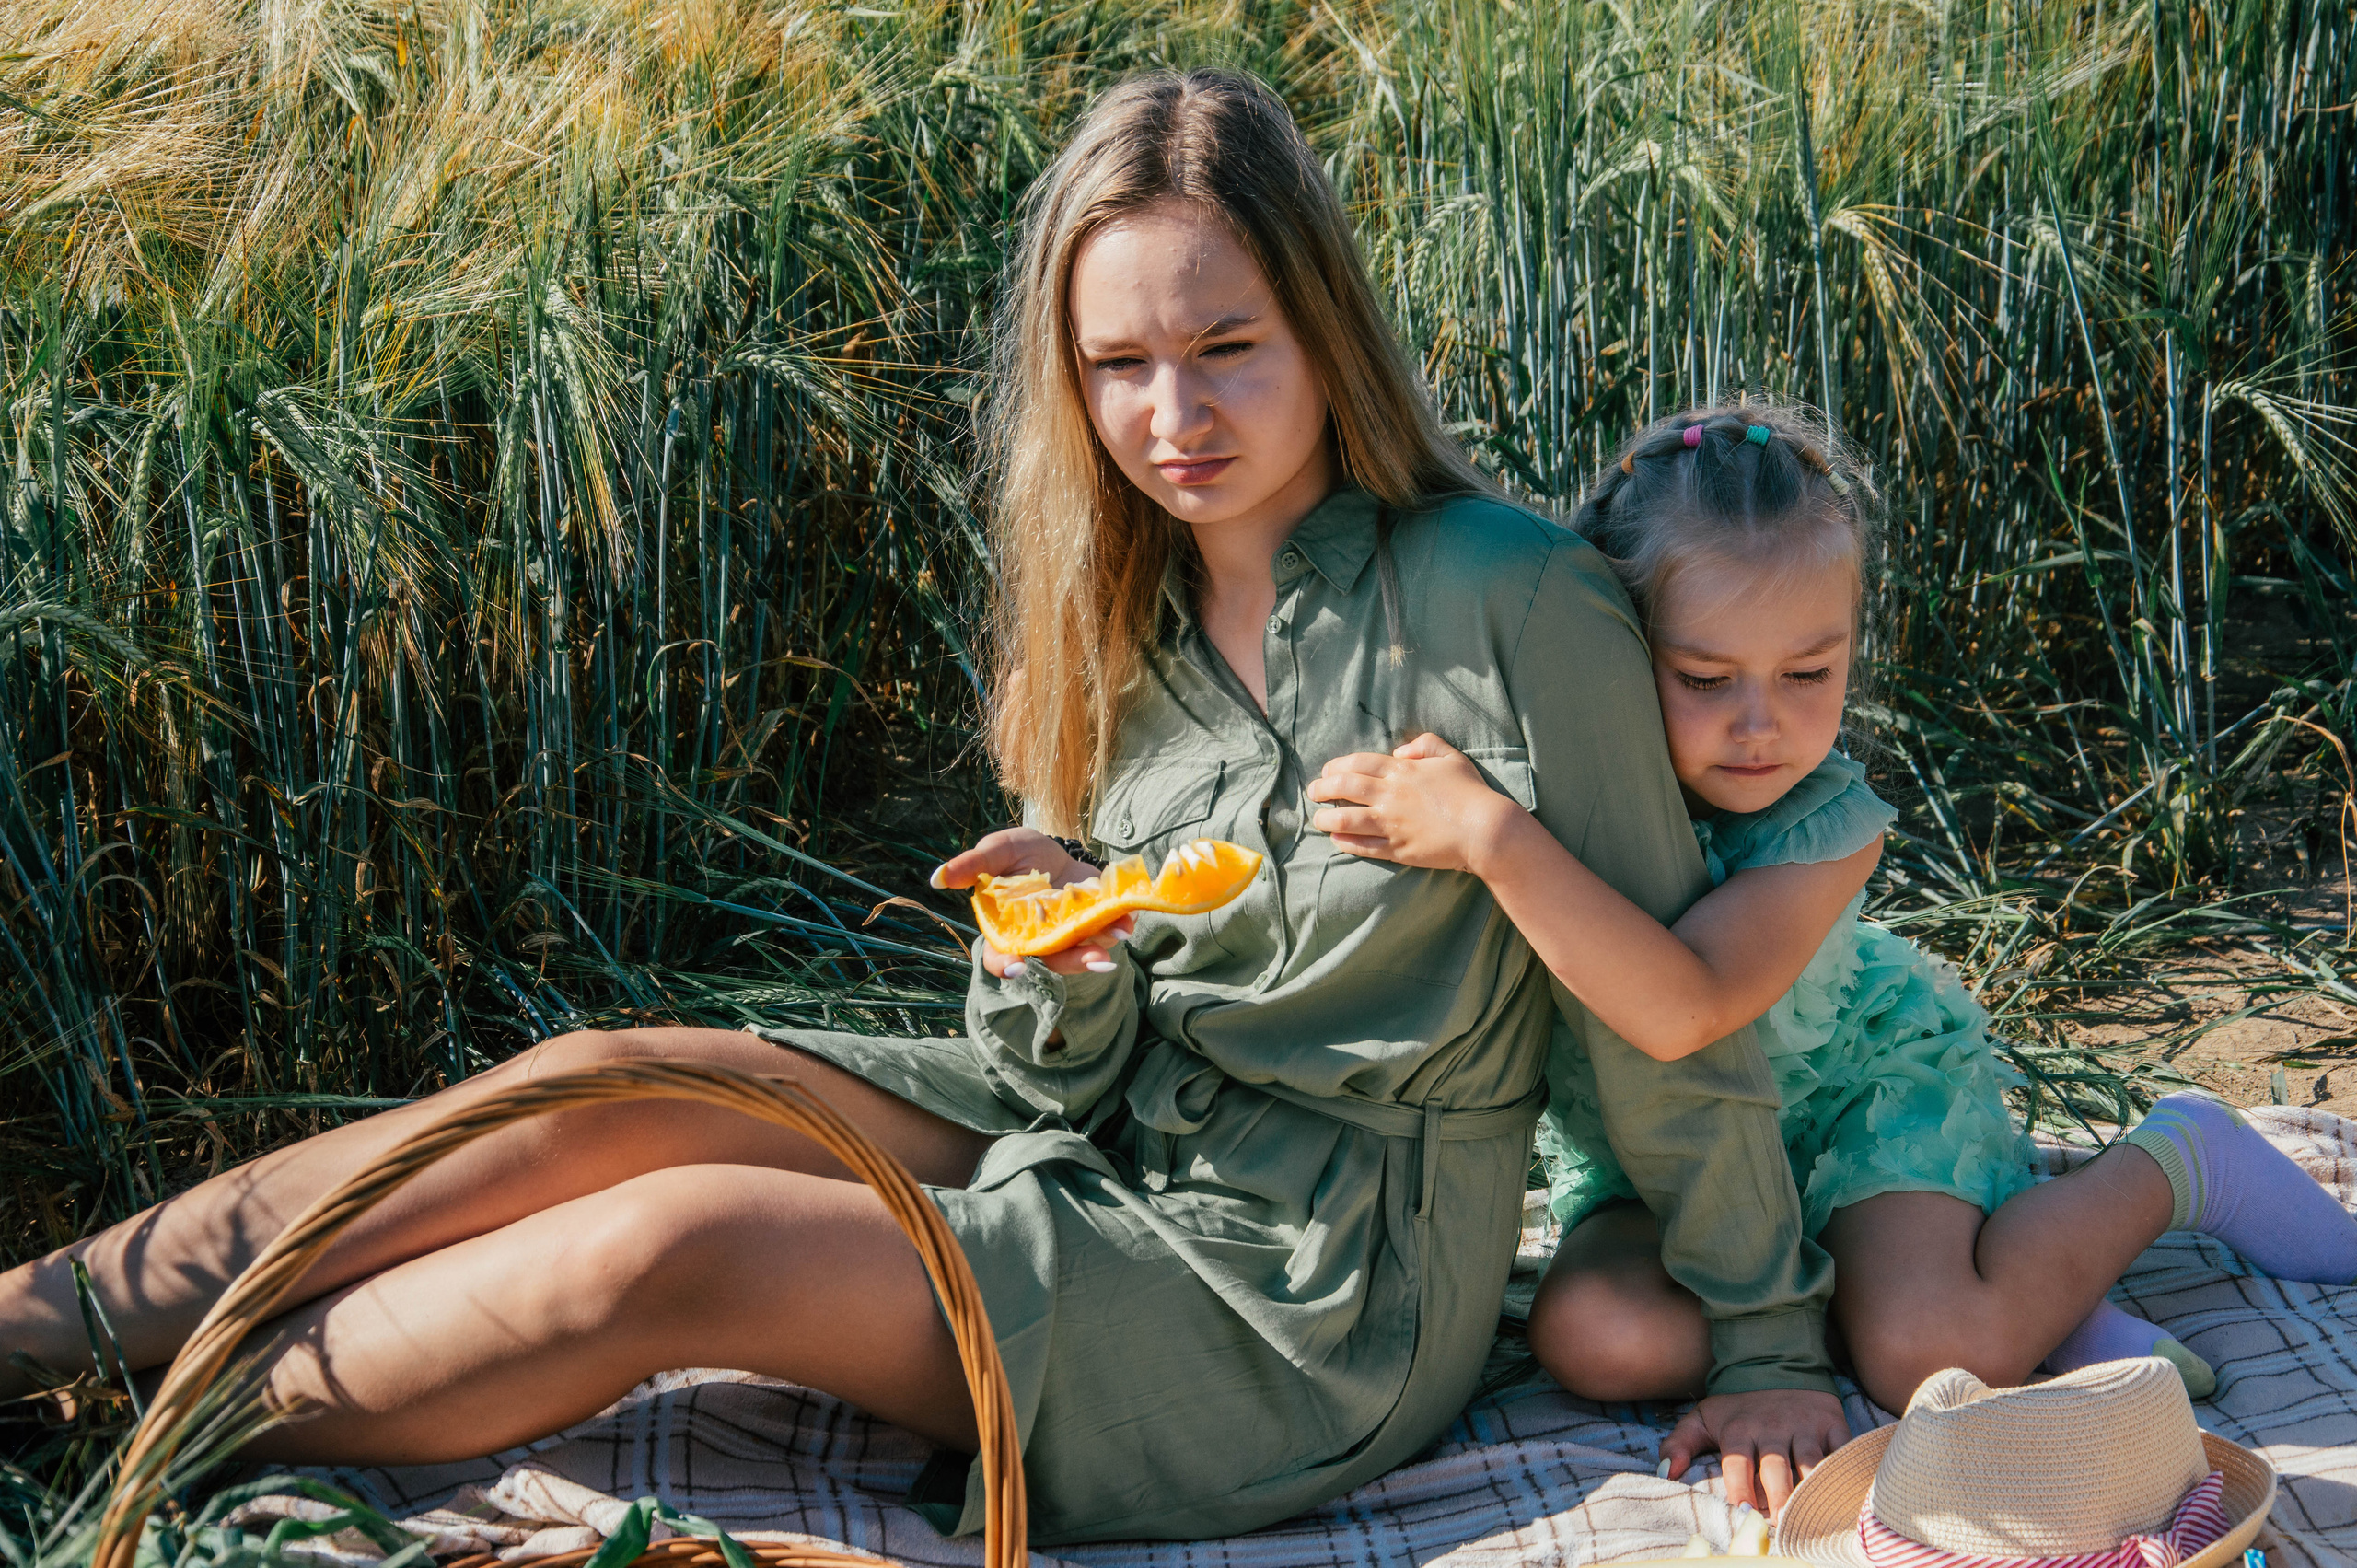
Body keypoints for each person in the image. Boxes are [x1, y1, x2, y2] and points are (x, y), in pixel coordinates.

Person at [0, 75, 1846, 1537]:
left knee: (677, 1240)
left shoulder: (1509, 595)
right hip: (1096, 1133)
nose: (1170, 414)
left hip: (1310, 1279)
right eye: (1115, 363)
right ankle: (33, 1319)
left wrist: (1764, 1342)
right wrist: (1058, 941)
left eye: (1225, 346)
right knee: (621, 1079)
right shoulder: (1110, 617)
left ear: (1322, 331)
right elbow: (1057, 1074)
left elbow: (1664, 997)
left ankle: (131, 1436)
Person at [1306, 401, 2357, 1457]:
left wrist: (1490, 837)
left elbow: (1689, 1007)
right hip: (1649, 1161)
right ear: (1610, 650)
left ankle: (2175, 1160)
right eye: (1705, 678)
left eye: (1808, 672)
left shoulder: (1825, 824)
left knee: (1928, 1354)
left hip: (1860, 1104)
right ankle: (1982, 1287)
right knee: (1591, 1336)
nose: (1761, 723)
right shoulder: (1567, 791)